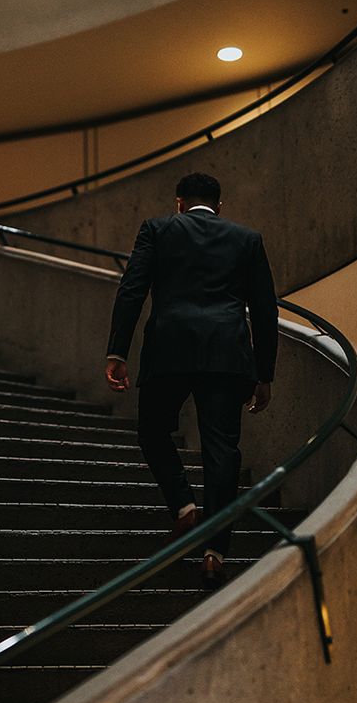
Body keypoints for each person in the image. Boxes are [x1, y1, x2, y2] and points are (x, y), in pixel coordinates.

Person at [105, 172, 278, 590]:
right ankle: (215, 555)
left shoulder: (157, 229)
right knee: (222, 450)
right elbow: (265, 309)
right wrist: (264, 374)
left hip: (169, 349)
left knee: (151, 429)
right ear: (219, 206)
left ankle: (185, 509)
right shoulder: (247, 239)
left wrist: (117, 350)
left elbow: (132, 289)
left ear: (179, 203)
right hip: (227, 354)